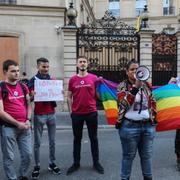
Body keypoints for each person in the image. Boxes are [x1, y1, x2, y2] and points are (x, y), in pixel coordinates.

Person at [116, 59, 157, 180]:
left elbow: (153, 101)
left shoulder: (147, 85)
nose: (134, 71)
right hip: (129, 127)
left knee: (147, 156)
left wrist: (153, 118)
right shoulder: (121, 86)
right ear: (127, 72)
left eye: (136, 69)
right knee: (128, 156)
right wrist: (134, 89)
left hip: (147, 126)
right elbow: (122, 105)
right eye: (132, 69)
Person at [66, 56, 104, 175]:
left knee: (94, 139)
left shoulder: (94, 78)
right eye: (80, 62)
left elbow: (98, 96)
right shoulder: (72, 79)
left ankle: (96, 163)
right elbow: (69, 96)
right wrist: (70, 112)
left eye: (84, 62)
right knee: (77, 139)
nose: (82, 64)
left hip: (91, 113)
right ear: (77, 65)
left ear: (87, 64)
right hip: (77, 114)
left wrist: (101, 86)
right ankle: (76, 163)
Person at [28, 57, 61, 179]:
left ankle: (52, 163)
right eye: (43, 66)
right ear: (38, 67)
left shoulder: (52, 80)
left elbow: (55, 94)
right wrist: (31, 96)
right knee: (37, 142)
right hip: (39, 115)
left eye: (47, 66)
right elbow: (29, 98)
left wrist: (59, 92)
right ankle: (36, 166)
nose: (46, 69)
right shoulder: (33, 80)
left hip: (51, 114)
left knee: (53, 142)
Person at [0, 59, 32, 180]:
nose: (17, 74)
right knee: (9, 157)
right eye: (13, 71)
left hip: (25, 126)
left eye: (18, 71)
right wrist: (17, 123)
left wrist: (28, 119)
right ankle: (12, 178)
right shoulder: (1, 87)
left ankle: (22, 175)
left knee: (28, 155)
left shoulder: (23, 87)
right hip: (8, 128)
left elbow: (29, 104)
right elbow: (0, 112)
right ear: (5, 72)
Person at [168, 77, 180, 171]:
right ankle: (179, 159)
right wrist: (170, 84)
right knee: (179, 138)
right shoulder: (177, 81)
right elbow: (168, 93)